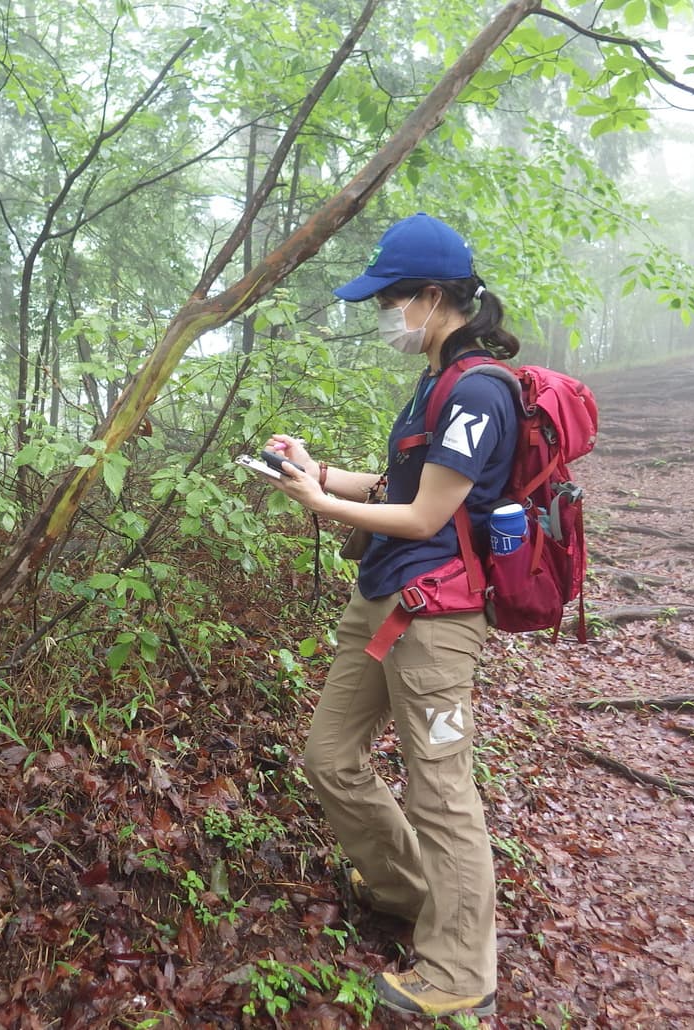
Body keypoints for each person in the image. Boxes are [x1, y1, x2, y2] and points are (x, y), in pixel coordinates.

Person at [265, 212, 520, 1019]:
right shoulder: (434, 384)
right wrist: (320, 472)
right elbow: (399, 488)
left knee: (440, 792)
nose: (386, 315)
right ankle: (410, 893)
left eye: (392, 300)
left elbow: (426, 518)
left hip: (437, 618)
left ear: (435, 297)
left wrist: (317, 507)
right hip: (383, 600)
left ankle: (459, 971)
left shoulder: (478, 390)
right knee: (329, 756)